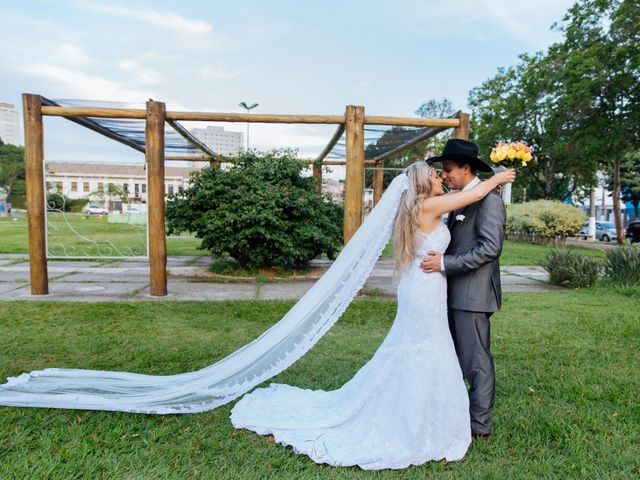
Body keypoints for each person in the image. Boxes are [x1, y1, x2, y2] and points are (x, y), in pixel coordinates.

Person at [230, 158, 515, 470]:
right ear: (422, 183)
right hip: (424, 289)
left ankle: (429, 414)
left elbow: (472, 208)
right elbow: (474, 195)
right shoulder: (427, 206)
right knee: (424, 351)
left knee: (425, 351)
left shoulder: (428, 205)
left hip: (427, 287)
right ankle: (420, 420)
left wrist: (494, 185)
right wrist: (500, 177)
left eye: (444, 172)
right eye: (436, 174)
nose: (442, 177)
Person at [422, 138, 507, 438]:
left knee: (477, 363)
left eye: (447, 170)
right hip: (451, 293)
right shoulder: (460, 198)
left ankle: (480, 426)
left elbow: (489, 249)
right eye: (442, 171)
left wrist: (445, 264)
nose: (444, 176)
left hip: (473, 295)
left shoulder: (489, 200)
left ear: (466, 168)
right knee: (455, 359)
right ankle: (455, 414)